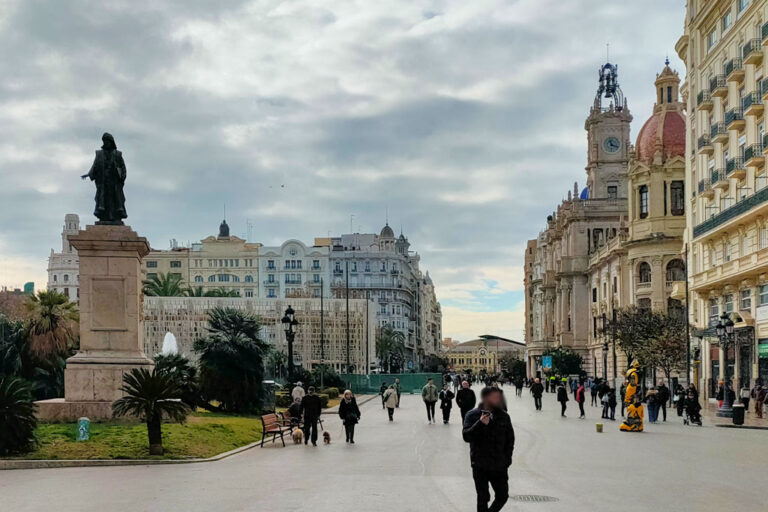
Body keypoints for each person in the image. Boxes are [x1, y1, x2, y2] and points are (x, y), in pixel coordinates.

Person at [463, 387, 515, 512]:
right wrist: (480, 424)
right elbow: (466, 436)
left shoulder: (504, 416)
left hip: (499, 464)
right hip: (480, 464)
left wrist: (507, 459)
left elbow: (510, 440)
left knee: (502, 495)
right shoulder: (472, 415)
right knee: (483, 497)